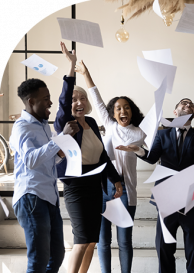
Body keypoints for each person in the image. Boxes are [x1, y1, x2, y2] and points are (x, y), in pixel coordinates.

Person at [117, 98, 194, 273]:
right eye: (183, 103)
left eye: (191, 105)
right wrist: (137, 150)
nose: (188, 105)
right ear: (175, 112)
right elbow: (152, 158)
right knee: (164, 245)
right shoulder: (162, 134)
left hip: (192, 198)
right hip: (167, 196)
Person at [54, 42, 122, 273]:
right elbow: (63, 101)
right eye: (74, 99)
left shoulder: (92, 123)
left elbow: (102, 156)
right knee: (81, 239)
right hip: (76, 186)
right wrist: (72, 65)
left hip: (96, 186)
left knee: (92, 240)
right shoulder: (66, 123)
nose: (78, 102)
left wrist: (116, 179)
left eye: (82, 98)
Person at [74, 60, 146, 273]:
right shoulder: (110, 126)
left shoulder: (140, 134)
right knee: (102, 241)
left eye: (126, 108)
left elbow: (151, 155)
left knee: (124, 241)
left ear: (131, 112)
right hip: (102, 188)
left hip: (125, 190)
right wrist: (86, 74)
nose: (122, 111)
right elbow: (95, 99)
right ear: (112, 114)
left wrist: (137, 149)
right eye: (118, 108)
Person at [9, 78, 80, 272]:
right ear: (31, 101)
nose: (50, 102)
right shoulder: (22, 127)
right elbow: (31, 160)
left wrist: (59, 154)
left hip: (49, 197)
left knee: (56, 256)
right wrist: (61, 139)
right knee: (39, 261)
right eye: (46, 98)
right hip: (32, 196)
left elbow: (45, 161)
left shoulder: (43, 126)